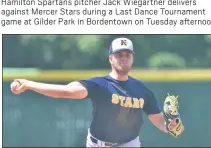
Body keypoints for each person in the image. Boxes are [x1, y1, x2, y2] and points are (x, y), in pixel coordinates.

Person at [11, 37, 184, 147]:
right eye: (119, 55)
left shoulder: (142, 89)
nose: (124, 58)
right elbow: (66, 92)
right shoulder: (99, 85)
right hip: (97, 144)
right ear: (110, 58)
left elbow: (159, 120)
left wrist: (171, 125)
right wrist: (28, 83)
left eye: (127, 54)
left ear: (132, 58)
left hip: (129, 143)